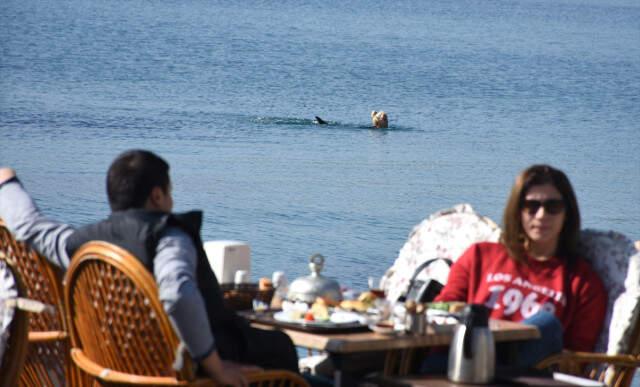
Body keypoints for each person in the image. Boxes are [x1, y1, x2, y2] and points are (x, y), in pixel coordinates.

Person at [0, 150, 298, 387]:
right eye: (170, 192)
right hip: (186, 370)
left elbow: (31, 227)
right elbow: (177, 293)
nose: (171, 200)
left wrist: (6, 185)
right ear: (157, 195)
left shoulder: (83, 245)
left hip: (116, 365)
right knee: (281, 346)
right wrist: (215, 366)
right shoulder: (168, 237)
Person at [434, 164, 607, 367]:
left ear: (567, 213)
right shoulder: (480, 256)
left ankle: (492, 363)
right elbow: (441, 312)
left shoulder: (583, 283)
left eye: (553, 207)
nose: (542, 215)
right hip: (462, 362)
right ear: (517, 211)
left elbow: (577, 360)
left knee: (547, 325)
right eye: (532, 206)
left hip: (525, 374)